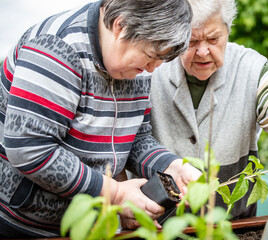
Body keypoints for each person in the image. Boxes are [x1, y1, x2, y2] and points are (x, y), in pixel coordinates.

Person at [0, 0, 202, 238]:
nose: (151, 69)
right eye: (150, 57)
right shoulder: (57, 48)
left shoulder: (133, 62)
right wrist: (115, 194)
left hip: (89, 226)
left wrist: (171, 166)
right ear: (121, 26)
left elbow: (137, 138)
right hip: (22, 225)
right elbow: (30, 149)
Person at [149, 0, 268, 219]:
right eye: (191, 41)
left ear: (228, 31)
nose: (202, 52)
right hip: (160, 228)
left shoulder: (250, 68)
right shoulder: (151, 67)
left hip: (234, 228)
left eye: (213, 39)